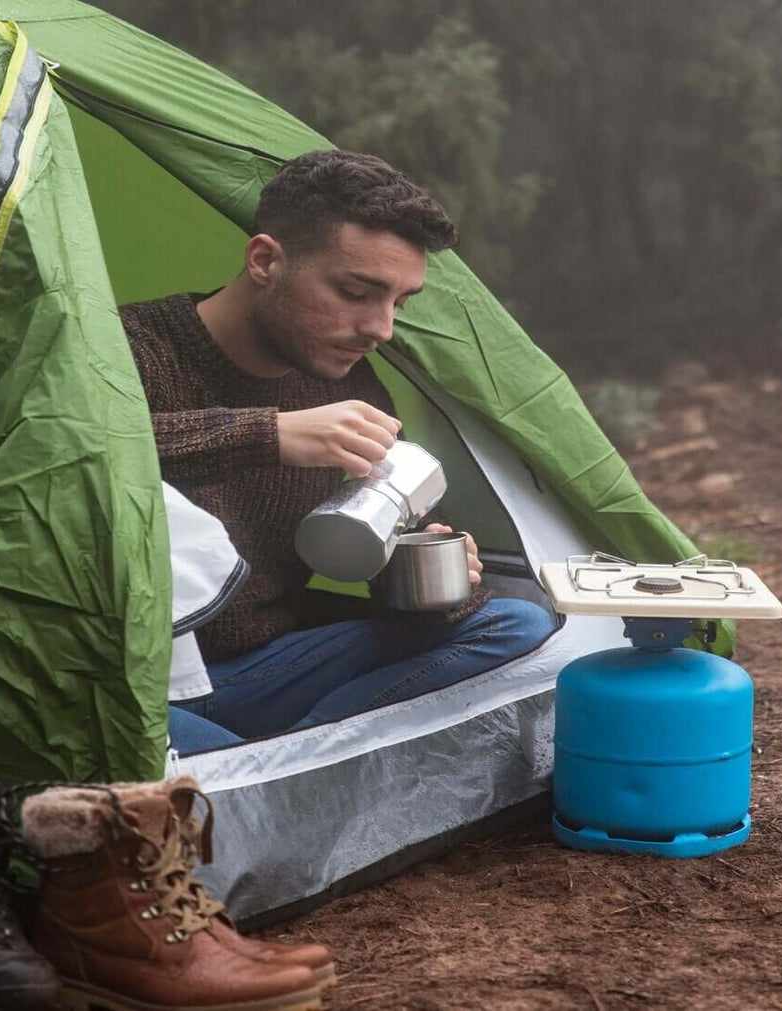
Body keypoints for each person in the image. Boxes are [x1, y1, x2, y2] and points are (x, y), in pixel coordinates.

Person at [124, 150, 556, 752]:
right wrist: (269, 434)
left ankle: (279, 763)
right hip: (133, 677)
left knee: (518, 621)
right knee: (90, 723)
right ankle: (278, 766)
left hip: (273, 662)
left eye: (398, 304)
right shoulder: (129, 347)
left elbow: (377, 546)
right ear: (266, 260)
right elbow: (60, 459)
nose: (381, 328)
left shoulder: (352, 384)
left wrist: (415, 570)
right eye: (357, 292)